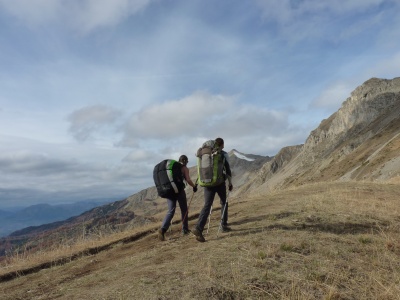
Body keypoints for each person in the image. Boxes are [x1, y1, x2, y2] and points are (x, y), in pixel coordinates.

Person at [192, 137, 233, 242]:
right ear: (221, 145)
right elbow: (228, 171)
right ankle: (223, 224)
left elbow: (200, 171)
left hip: (206, 183)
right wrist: (230, 183)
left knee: (207, 205)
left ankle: (198, 227)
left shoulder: (204, 154)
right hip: (219, 183)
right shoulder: (221, 154)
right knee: (224, 202)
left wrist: (196, 184)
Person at [158, 155, 198, 241]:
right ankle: (185, 229)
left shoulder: (173, 168)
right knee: (184, 210)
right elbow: (188, 180)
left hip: (169, 191)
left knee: (170, 211)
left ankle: (163, 229)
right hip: (179, 191)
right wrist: (194, 186)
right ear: (186, 161)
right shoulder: (184, 168)